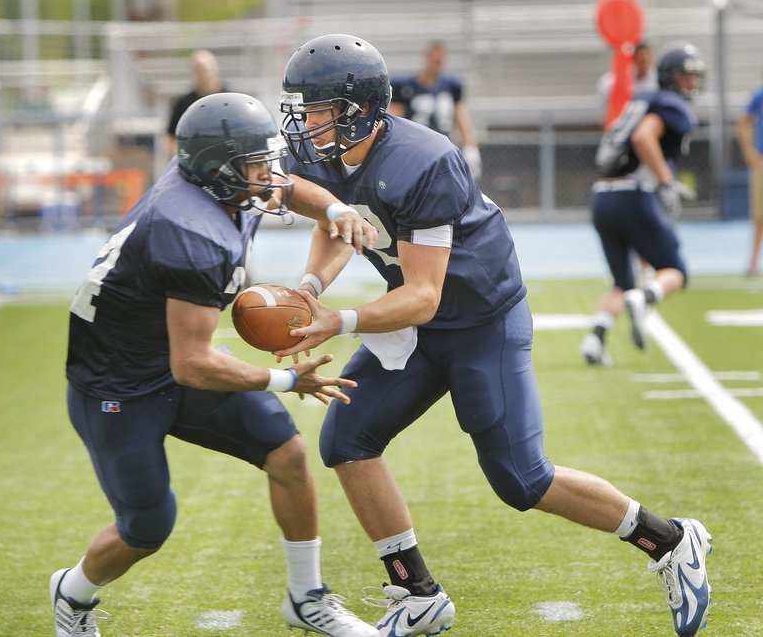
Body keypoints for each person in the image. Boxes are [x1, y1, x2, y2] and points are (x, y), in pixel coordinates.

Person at [277, 34, 713, 637]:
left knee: (522, 479)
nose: (307, 121)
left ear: (360, 110)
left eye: (319, 107)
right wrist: (310, 286)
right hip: (418, 316)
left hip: (479, 319)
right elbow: (338, 217)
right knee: (347, 440)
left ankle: (670, 540)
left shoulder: (421, 161)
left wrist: (339, 320)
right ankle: (417, 593)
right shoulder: (326, 152)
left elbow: (424, 295)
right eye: (303, 106)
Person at [50, 92, 381, 637]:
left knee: (288, 456)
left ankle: (307, 597)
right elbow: (193, 364)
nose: (269, 175)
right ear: (217, 172)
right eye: (255, 165)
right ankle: (74, 592)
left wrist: (336, 209)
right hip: (118, 387)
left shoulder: (220, 189)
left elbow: (291, 188)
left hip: (167, 358)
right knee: (147, 527)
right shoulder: (189, 231)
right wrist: (286, 380)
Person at [581, 41, 705, 368]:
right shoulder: (670, 105)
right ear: (668, 77)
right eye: (685, 77)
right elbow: (643, 138)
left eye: (694, 77)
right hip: (632, 194)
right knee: (675, 272)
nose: (691, 83)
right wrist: (665, 182)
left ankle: (595, 338)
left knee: (622, 281)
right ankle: (646, 297)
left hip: (602, 196)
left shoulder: (640, 99)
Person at [388, 40, 482, 180]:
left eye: (441, 61)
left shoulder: (451, 86)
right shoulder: (406, 86)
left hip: (443, 148)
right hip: (415, 150)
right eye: (435, 61)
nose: (438, 65)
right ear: (425, 57)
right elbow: (394, 120)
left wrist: (470, 147)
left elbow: (461, 118)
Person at [165, 49, 226, 155]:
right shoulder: (183, 103)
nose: (204, 72)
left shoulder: (229, 99)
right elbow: (172, 137)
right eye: (199, 68)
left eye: (206, 68)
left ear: (215, 67)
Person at [736, 77, 763, 276]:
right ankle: (753, 262)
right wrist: (748, 150)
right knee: (759, 215)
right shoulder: (759, 95)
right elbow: (743, 121)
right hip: (762, 161)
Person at [597, 41, 658, 115]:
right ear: (634, 57)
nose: (644, 58)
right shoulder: (620, 77)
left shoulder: (658, 78)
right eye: (641, 54)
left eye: (647, 54)